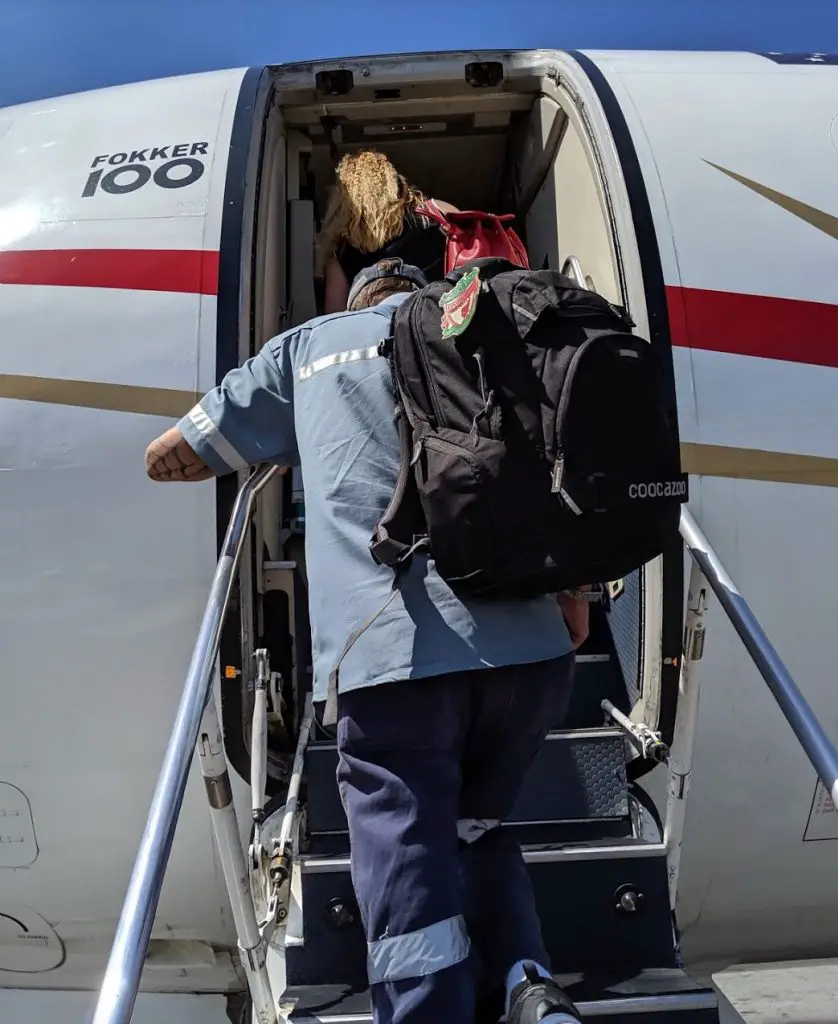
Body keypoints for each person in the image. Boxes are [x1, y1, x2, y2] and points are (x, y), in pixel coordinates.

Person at [144, 259, 586, 1024]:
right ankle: (525, 979)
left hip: (395, 664)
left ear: (352, 298)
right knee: (473, 829)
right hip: (529, 654)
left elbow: (172, 454)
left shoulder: (309, 349)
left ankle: (427, 1013)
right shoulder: (483, 333)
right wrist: (573, 598)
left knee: (407, 860)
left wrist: (300, 436)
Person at [317, 148, 458, 313]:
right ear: (392, 182)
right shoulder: (433, 214)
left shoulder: (341, 252)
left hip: (377, 333)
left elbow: (335, 317)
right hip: (437, 320)